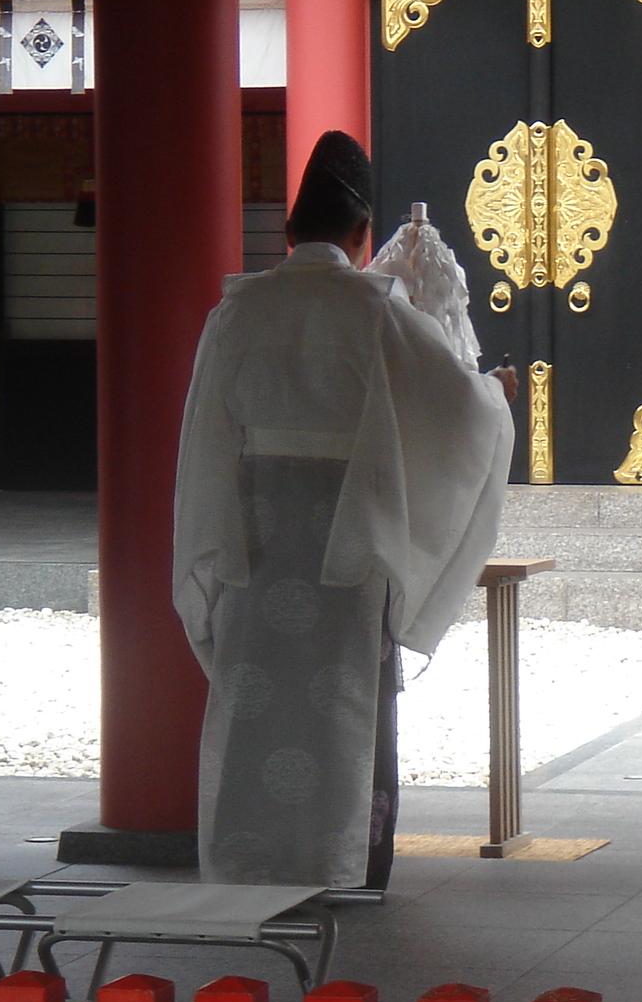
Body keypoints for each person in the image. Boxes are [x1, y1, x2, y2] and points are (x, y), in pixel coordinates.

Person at [173, 131, 516, 888]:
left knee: (256, 698)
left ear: (290, 232)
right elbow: (456, 409)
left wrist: (215, 546)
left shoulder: (236, 313)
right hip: (347, 535)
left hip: (255, 536)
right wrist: (499, 396)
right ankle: (340, 860)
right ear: (364, 238)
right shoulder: (376, 311)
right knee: (341, 704)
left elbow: (203, 440)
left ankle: (248, 857)